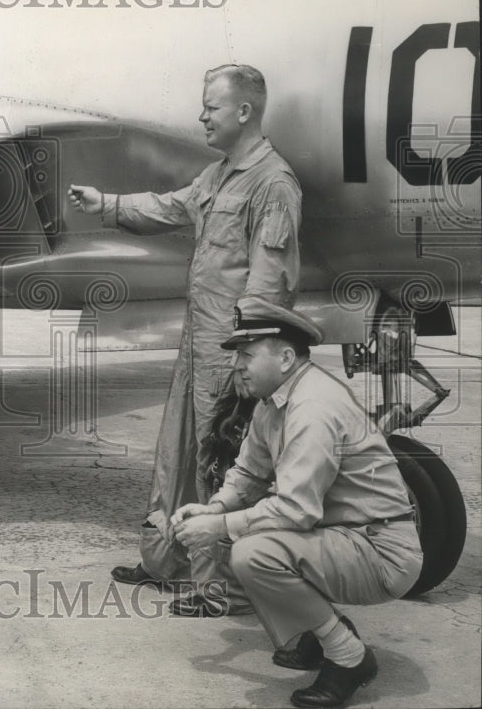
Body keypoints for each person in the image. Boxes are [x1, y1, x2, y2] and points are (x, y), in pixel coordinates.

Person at [68, 63, 301, 615]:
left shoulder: (273, 184)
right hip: (199, 347)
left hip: (231, 354)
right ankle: (166, 560)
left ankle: (225, 589)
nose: (201, 115)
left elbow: (271, 286)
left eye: (211, 106)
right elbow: (169, 206)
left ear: (243, 111)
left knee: (223, 466)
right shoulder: (220, 175)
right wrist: (107, 204)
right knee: (177, 455)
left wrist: (252, 363)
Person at [171, 296, 422, 708]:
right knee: (241, 535)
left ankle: (349, 657)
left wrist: (219, 528)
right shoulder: (276, 401)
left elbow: (295, 510)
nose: (237, 365)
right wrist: (214, 509)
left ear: (285, 357)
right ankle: (315, 633)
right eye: (238, 356)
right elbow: (249, 473)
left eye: (247, 355)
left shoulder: (312, 406)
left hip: (381, 550)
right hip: (345, 534)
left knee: (254, 553)